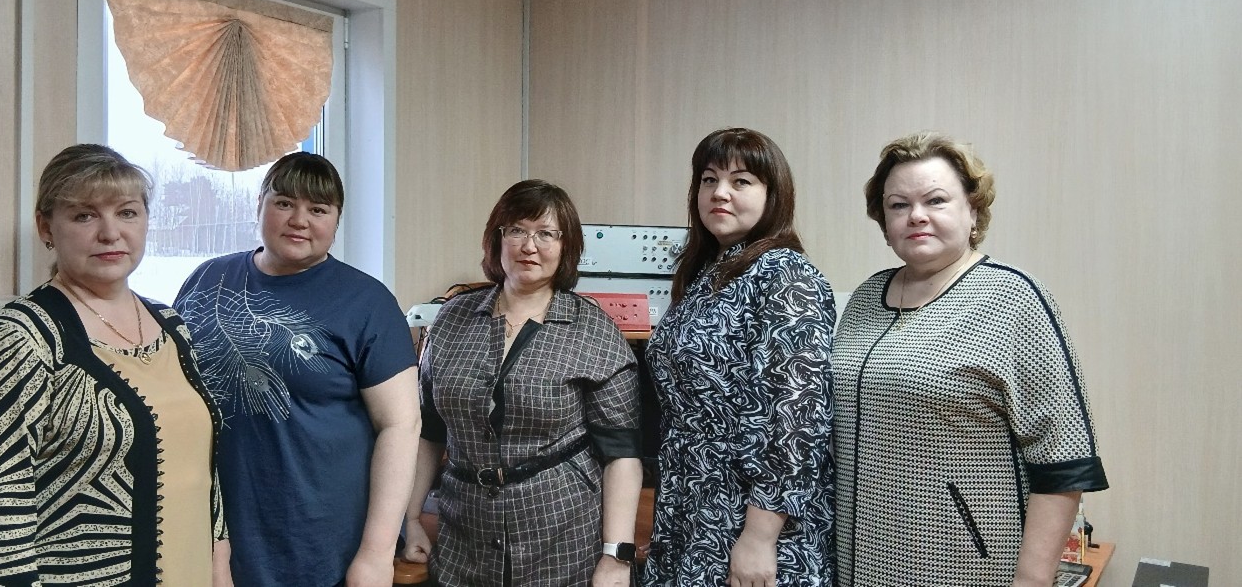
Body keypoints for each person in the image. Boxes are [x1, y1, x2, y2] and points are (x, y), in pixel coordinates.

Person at [832, 131, 1109, 586]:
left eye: (936, 200)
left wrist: (1033, 580)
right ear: (883, 221)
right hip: (858, 563)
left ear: (973, 210)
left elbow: (1063, 456)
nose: (916, 215)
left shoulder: (1013, 297)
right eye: (898, 205)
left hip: (964, 565)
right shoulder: (865, 298)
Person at [0, 143, 229, 585]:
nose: (110, 233)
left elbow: (202, 471)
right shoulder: (18, 337)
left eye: (127, 212)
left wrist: (220, 567)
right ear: (46, 227)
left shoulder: (171, 324)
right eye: (84, 216)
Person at [174, 152, 420, 587]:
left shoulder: (366, 302)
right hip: (213, 531)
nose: (299, 220)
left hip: (319, 538)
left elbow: (401, 425)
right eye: (284, 202)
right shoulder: (206, 279)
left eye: (318, 209)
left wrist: (376, 554)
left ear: (337, 220)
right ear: (260, 205)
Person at [402, 180, 643, 586]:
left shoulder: (593, 330)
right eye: (516, 230)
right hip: (465, 536)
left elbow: (621, 454)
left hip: (561, 538)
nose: (529, 246)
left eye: (546, 233)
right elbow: (429, 431)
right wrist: (409, 519)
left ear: (566, 246)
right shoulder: (451, 319)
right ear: (497, 239)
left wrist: (616, 556)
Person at [643, 128, 836, 587]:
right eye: (709, 179)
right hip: (694, 498)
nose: (719, 192)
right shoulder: (710, 272)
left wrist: (759, 536)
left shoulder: (785, 274)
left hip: (752, 513)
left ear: (773, 195)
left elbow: (796, 417)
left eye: (741, 181)